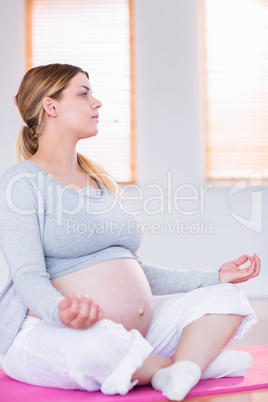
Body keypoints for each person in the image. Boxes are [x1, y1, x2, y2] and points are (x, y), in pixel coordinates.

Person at [0, 63, 260, 401]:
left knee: (226, 298)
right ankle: (187, 365)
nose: (97, 103)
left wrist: (212, 276)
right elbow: (28, 275)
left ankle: (171, 368)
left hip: (134, 333)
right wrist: (61, 312)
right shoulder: (22, 182)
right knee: (97, 346)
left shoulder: (99, 181)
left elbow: (134, 270)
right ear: (51, 107)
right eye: (83, 94)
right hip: (49, 330)